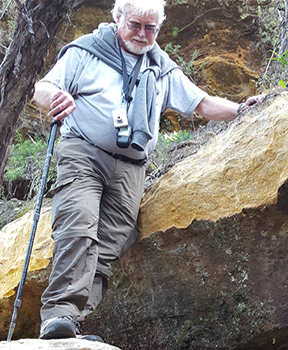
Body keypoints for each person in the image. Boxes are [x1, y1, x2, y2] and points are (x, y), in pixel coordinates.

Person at [33, 0, 264, 341]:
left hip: (131, 166)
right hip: (84, 152)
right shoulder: (86, 51)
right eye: (135, 25)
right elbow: (43, 87)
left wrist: (241, 109)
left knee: (110, 243)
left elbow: (199, 102)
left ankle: (71, 326)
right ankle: (58, 315)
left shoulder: (161, 65)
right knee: (78, 224)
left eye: (150, 28)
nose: (142, 34)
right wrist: (56, 97)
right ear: (117, 18)